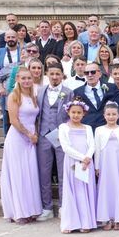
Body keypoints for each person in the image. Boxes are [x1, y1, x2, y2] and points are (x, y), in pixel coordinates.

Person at [0, 67, 42, 224]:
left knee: (29, 174)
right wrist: (28, 134)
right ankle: (18, 211)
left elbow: (35, 119)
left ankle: (30, 209)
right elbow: (13, 120)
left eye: (29, 78)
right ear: (17, 79)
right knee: (18, 174)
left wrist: (35, 133)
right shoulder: (13, 96)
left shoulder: (33, 96)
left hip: (31, 138)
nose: (26, 81)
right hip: (18, 138)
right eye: (23, 78)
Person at [35, 63, 73, 220]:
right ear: (47, 75)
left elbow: (72, 115)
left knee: (63, 172)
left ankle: (64, 206)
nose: (55, 77)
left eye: (58, 74)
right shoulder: (40, 91)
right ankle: (47, 207)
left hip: (61, 136)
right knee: (44, 173)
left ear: (62, 75)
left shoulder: (68, 93)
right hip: (43, 135)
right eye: (52, 74)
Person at [58, 98, 97, 233]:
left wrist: (88, 157)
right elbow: (65, 147)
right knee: (73, 190)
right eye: (73, 112)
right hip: (73, 162)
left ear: (83, 114)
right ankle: (70, 223)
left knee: (84, 190)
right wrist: (82, 158)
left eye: (79, 113)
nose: (76, 115)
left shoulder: (88, 128)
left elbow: (92, 144)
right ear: (68, 112)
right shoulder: (64, 127)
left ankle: (86, 222)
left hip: (87, 163)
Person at [94, 101, 119, 231]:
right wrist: (97, 166)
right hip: (106, 162)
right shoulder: (99, 130)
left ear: (118, 115)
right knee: (106, 188)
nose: (111, 117)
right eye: (108, 114)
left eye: (113, 114)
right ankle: (107, 218)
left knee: (118, 188)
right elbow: (97, 149)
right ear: (104, 115)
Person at [74, 62, 119, 130]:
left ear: (100, 74)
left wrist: (116, 125)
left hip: (108, 129)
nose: (90, 75)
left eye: (93, 72)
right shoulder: (77, 92)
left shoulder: (111, 88)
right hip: (87, 130)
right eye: (87, 73)